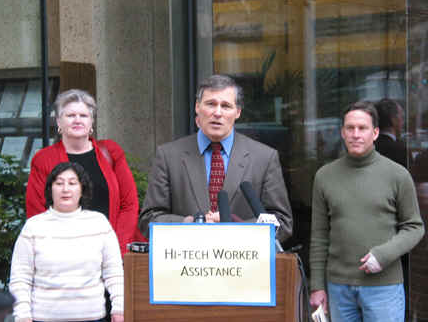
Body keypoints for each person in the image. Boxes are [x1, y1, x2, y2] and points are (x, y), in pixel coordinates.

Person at [139, 74, 292, 243]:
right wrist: (189, 223)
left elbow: (282, 223)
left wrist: (235, 226)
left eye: (226, 106)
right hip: (187, 264)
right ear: (197, 107)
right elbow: (149, 219)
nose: (217, 113)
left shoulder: (264, 158)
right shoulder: (168, 156)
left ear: (238, 112)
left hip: (243, 264)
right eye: (211, 104)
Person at [309, 101, 425, 322]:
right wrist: (317, 286)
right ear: (342, 132)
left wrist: (384, 255)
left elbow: (415, 227)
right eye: (350, 128)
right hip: (338, 288)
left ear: (375, 132)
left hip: (384, 287)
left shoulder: (397, 175)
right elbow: (319, 236)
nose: (355, 134)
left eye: (362, 128)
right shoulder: (325, 176)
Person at [26, 89, 144, 256]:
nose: (77, 120)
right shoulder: (44, 159)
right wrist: (61, 252)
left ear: (91, 122)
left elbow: (129, 204)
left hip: (113, 253)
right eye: (70, 115)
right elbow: (36, 212)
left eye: (83, 115)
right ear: (59, 122)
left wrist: (115, 249)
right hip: (64, 256)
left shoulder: (111, 151)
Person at [9, 162, 124, 322]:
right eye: (59, 183)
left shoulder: (99, 223)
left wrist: (119, 309)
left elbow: (114, 273)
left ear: (82, 189)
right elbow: (21, 277)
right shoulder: (34, 227)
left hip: (92, 317)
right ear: (51, 189)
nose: (65, 189)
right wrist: (22, 315)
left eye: (72, 183)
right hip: (43, 317)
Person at [374, 98, 408, 167]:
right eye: (402, 117)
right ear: (394, 120)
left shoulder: (370, 146)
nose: (403, 122)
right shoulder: (399, 150)